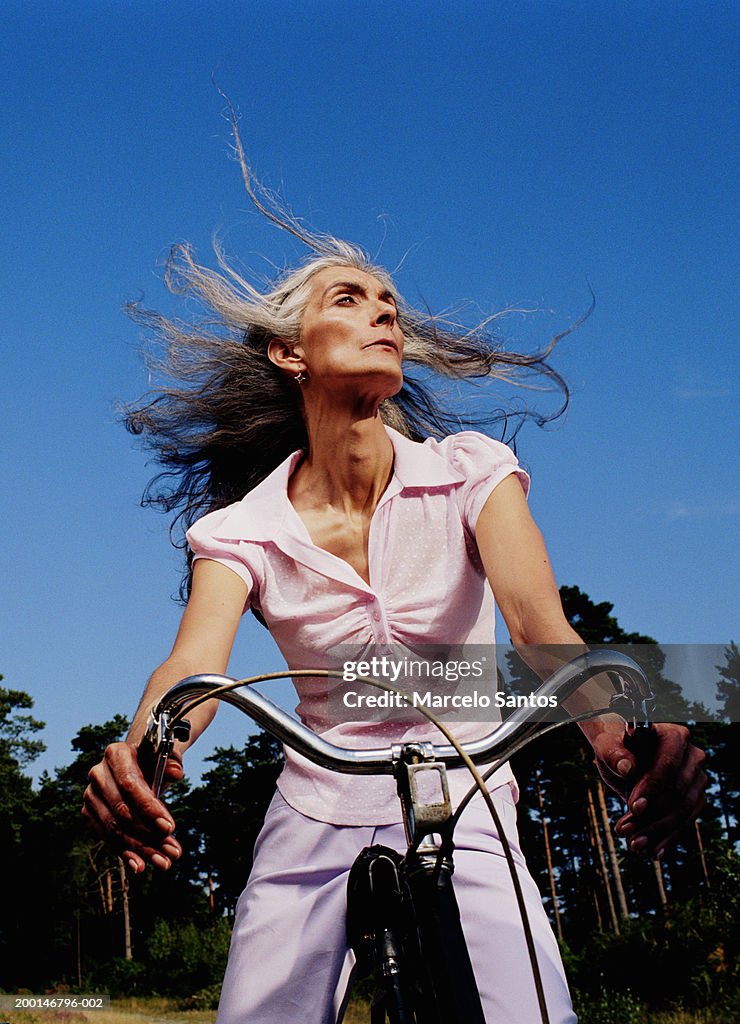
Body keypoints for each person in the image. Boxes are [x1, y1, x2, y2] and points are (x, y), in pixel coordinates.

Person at [82, 130, 707, 1024]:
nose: (385, 314)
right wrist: (145, 748)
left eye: (392, 304)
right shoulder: (237, 530)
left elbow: (538, 626)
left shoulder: (472, 470)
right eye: (351, 298)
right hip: (314, 810)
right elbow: (194, 666)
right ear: (290, 354)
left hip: (471, 799)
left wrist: (620, 736)